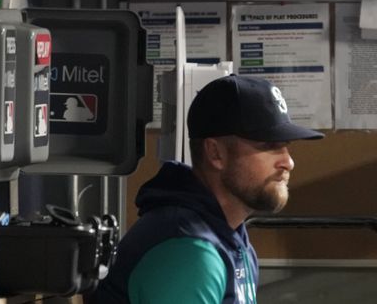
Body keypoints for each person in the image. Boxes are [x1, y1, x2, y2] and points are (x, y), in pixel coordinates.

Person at [93, 74, 324, 304]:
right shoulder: (189, 253)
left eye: (286, 146)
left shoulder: (231, 237)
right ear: (215, 153)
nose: (288, 162)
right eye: (269, 146)